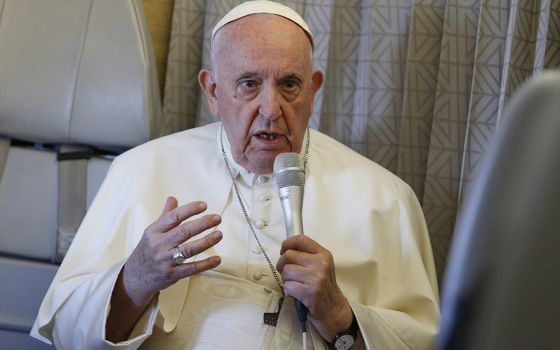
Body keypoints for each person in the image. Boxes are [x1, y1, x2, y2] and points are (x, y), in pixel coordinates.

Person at [31, 1, 439, 349]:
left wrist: (340, 316)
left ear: (314, 90)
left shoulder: (386, 198)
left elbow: (425, 340)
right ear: (212, 91)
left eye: (290, 84)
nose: (270, 108)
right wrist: (137, 278)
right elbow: (66, 332)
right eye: (248, 84)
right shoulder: (141, 169)